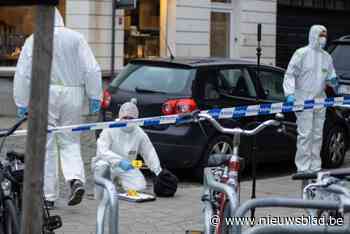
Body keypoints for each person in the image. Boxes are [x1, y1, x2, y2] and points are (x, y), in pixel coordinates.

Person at [13, 8, 102, 208]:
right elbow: (91, 68)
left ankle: (48, 196)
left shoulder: (34, 40)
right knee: (70, 140)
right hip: (74, 94)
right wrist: (95, 95)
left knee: (47, 144)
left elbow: (23, 73)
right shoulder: (76, 38)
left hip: (46, 94)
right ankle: (75, 179)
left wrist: (22, 101)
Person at [283, 25, 338, 173]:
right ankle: (303, 167)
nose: (324, 38)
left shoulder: (327, 57)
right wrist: (289, 93)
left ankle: (315, 166)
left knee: (317, 135)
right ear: (313, 35)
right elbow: (290, 74)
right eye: (321, 35)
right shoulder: (301, 53)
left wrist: (332, 81)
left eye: (325, 35)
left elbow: (330, 76)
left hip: (320, 100)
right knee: (305, 135)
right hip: (303, 99)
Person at [92, 99, 163, 198]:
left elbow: (149, 152)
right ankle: (105, 186)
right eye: (125, 117)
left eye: (131, 118)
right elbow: (102, 151)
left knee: (139, 187)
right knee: (102, 189)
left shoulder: (139, 133)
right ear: (120, 117)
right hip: (107, 164)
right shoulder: (110, 129)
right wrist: (119, 161)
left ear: (136, 119)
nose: (127, 120)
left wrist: (158, 171)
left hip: (127, 166)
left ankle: (120, 183)